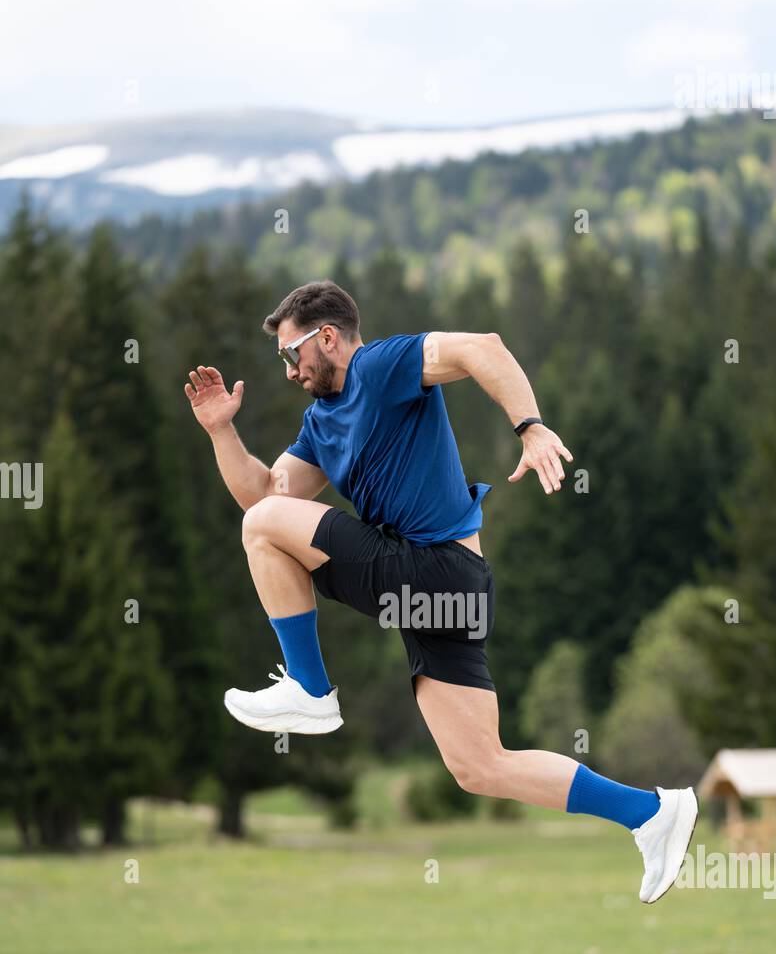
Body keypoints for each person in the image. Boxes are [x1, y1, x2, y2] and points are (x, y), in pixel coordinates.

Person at [184, 280, 697, 903]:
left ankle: (312, 691)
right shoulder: (321, 423)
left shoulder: (380, 366)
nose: (289, 372)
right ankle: (651, 813)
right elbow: (266, 497)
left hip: (431, 568)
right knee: (479, 766)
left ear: (326, 338)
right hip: (450, 594)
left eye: (291, 356)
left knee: (261, 528)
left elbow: (483, 347)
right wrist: (219, 431)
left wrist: (530, 428)